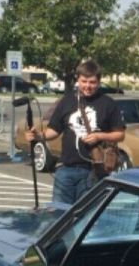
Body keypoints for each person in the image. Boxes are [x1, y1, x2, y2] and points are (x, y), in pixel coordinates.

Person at [29, 59, 125, 205]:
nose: (88, 86)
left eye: (92, 82)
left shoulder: (108, 104)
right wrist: (38, 136)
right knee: (60, 212)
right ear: (78, 80)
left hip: (94, 171)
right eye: (84, 81)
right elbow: (54, 131)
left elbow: (120, 134)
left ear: (99, 82)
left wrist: (99, 136)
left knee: (86, 214)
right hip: (66, 170)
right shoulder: (67, 101)